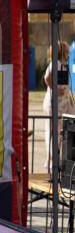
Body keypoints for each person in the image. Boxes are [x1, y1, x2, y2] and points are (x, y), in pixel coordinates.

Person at [43, 41, 75, 172]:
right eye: (67, 51)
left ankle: (56, 159)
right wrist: (55, 90)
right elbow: (46, 78)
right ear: (62, 52)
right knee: (53, 133)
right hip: (55, 104)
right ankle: (51, 160)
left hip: (63, 104)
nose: (68, 54)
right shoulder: (54, 64)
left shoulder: (62, 65)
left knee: (60, 133)